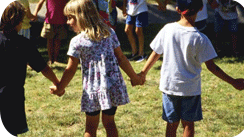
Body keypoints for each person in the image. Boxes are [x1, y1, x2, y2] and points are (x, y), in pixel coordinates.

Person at [138, 0, 244, 136]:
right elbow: (213, 67)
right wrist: (234, 82)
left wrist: (143, 73)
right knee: (188, 124)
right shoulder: (201, 39)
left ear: (177, 9)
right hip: (190, 89)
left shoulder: (167, 29)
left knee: (171, 124)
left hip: (169, 86)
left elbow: (155, 54)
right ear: (201, 9)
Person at [49, 0, 142, 136]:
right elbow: (121, 58)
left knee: (90, 128)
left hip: (92, 90)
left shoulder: (76, 42)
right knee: (110, 123)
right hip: (112, 87)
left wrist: (60, 88)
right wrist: (135, 77)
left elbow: (70, 70)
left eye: (70, 18)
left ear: (81, 17)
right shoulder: (109, 33)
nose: (68, 22)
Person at [0, 1, 61, 136]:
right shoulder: (23, 44)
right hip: (12, 97)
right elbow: (43, 68)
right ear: (19, 22)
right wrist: (58, 83)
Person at [33, 0, 68, 65]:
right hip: (50, 20)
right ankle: (50, 59)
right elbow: (40, 2)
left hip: (62, 20)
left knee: (58, 40)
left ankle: (55, 59)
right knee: (49, 39)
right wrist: (35, 13)